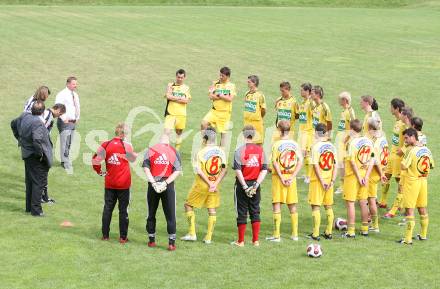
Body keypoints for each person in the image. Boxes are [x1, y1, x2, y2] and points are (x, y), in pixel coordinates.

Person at [92, 123, 137, 244]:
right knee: (123, 210)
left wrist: (100, 172)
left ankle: (105, 235)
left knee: (107, 209)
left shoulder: (106, 145)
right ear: (123, 133)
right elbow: (132, 159)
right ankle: (123, 237)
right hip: (124, 184)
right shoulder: (127, 145)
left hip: (110, 183)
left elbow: (95, 160)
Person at [181, 126, 227, 244]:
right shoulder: (221, 151)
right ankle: (208, 238)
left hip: (201, 185)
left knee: (188, 205)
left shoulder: (201, 152)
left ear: (205, 138)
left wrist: (209, 183)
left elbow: (199, 171)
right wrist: (214, 184)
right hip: (215, 186)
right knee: (211, 210)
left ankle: (192, 234)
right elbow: (224, 170)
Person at [143, 134, 182, 251]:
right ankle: (171, 243)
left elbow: (146, 168)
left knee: (151, 213)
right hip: (168, 185)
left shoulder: (151, 150)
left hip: (153, 184)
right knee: (170, 214)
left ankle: (151, 241)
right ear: (168, 142)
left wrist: (154, 183)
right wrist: (165, 183)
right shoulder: (174, 151)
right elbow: (177, 171)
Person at [231, 125, 268, 247]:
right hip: (255, 186)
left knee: (241, 212)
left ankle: (241, 241)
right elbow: (264, 170)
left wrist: (245, 187)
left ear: (243, 135)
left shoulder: (239, 151)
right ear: (253, 135)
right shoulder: (261, 151)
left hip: (243, 187)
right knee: (255, 211)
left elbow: (238, 170)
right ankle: (255, 241)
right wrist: (256, 185)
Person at [266, 120, 303, 242]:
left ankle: (276, 235)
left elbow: (275, 162)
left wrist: (282, 177)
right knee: (292, 206)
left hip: (279, 179)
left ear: (279, 130)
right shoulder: (295, 144)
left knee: (277, 204)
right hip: (291, 179)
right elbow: (300, 162)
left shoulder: (276, 145)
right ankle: (295, 235)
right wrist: (292, 177)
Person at [397, 128, 434, 244]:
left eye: (407, 138)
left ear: (413, 136)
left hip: (412, 183)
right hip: (423, 181)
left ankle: (408, 239)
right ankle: (423, 235)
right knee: (422, 208)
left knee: (410, 210)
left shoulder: (412, 151)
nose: (405, 140)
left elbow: (403, 166)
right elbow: (431, 165)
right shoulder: (427, 150)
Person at [19, 101, 53, 216]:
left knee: (30, 182)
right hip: (35, 157)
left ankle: (29, 207)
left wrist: (20, 140)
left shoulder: (25, 117)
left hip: (27, 154)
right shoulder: (38, 123)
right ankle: (36, 210)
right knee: (39, 182)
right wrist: (40, 155)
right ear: (43, 112)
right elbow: (37, 140)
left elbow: (14, 124)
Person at [342, 119, 374, 238]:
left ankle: (351, 231)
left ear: (351, 129)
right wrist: (365, 176)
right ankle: (365, 229)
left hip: (352, 177)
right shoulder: (368, 142)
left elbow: (352, 162)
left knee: (350, 203)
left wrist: (359, 177)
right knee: (363, 202)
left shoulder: (352, 143)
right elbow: (372, 160)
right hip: (365, 175)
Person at [307, 123, 337, 241]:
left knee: (315, 207)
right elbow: (335, 165)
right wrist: (332, 181)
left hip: (318, 181)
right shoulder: (332, 147)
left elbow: (315, 166)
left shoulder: (315, 147)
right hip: (329, 181)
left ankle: (315, 234)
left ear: (316, 133)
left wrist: (322, 181)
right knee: (328, 206)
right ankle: (328, 232)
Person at [384, 106, 413, 218]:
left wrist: (403, 150)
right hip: (396, 157)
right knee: (398, 181)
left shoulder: (409, 128)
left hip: (403, 160)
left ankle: (394, 210)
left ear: (405, 116)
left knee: (401, 184)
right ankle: (399, 206)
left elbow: (412, 142)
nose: (399, 115)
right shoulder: (401, 124)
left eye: (402, 113)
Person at [379, 98, 405, 209]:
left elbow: (411, 137)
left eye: (391, 107)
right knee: (386, 176)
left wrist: (402, 150)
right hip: (392, 156)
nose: (390, 108)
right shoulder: (397, 121)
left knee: (399, 181)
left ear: (397, 109)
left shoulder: (404, 123)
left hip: (398, 158)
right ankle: (383, 202)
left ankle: (401, 204)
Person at [201, 67, 236, 148]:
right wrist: (223, 96)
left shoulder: (231, 86)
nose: (220, 77)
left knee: (223, 134)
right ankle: (207, 141)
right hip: (214, 111)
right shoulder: (215, 83)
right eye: (220, 75)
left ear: (228, 76)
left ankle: (221, 153)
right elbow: (210, 96)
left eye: (222, 76)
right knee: (203, 123)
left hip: (225, 113)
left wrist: (219, 95)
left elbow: (230, 99)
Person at [365, 118, 389, 233]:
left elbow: (375, 160)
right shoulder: (383, 138)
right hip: (381, 170)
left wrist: (381, 174)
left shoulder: (374, 142)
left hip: (374, 173)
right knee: (371, 198)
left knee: (371, 199)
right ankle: (370, 220)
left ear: (370, 128)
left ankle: (375, 225)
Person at [40, 103, 66, 204]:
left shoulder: (48, 114)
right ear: (58, 109)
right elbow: (41, 131)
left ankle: (45, 196)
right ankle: (41, 196)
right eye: (60, 114)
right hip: (43, 147)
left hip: (45, 146)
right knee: (43, 172)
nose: (59, 116)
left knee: (45, 171)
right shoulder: (47, 115)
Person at [55, 76, 80, 171]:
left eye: (76, 84)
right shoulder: (62, 94)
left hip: (73, 122)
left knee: (69, 142)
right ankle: (65, 162)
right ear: (68, 84)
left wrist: (77, 117)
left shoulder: (75, 94)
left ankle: (65, 160)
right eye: (73, 84)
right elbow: (58, 107)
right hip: (65, 122)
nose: (75, 86)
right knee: (65, 142)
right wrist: (64, 118)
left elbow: (77, 106)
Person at [163, 69, 192, 150]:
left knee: (178, 133)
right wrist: (180, 98)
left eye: (181, 77)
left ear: (184, 77)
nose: (179, 79)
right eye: (178, 77)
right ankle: (165, 152)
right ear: (176, 76)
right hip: (170, 114)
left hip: (181, 115)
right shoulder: (170, 85)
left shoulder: (186, 88)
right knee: (166, 133)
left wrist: (174, 98)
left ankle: (176, 151)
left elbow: (186, 101)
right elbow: (168, 96)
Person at [335, 91, 356, 194]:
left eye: (340, 99)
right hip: (341, 140)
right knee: (340, 163)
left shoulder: (350, 112)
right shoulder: (343, 111)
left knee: (343, 164)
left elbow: (355, 127)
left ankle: (343, 186)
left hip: (346, 142)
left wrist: (347, 140)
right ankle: (342, 185)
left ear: (345, 100)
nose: (339, 101)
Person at [297, 82, 314, 183]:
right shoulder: (303, 103)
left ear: (307, 91)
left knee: (306, 155)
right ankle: (306, 173)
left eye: (302, 90)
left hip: (308, 132)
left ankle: (309, 175)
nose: (300, 91)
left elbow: (315, 117)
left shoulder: (311, 103)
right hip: (302, 132)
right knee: (302, 154)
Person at [243, 75, 266, 145]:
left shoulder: (260, 95)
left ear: (254, 83)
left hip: (257, 123)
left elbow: (263, 110)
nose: (247, 83)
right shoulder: (246, 94)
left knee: (258, 144)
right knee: (247, 143)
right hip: (247, 123)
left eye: (249, 82)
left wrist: (258, 117)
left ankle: (259, 156)